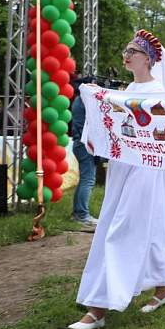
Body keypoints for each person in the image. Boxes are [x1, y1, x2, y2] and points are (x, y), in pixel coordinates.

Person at [69, 29, 165, 329]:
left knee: (120, 228)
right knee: (144, 228)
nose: (126, 55)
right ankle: (163, 289)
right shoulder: (127, 87)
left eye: (134, 52)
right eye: (126, 50)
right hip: (122, 169)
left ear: (150, 60)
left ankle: (97, 308)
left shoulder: (160, 93)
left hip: (147, 171)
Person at [70, 76, 99, 228]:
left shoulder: (77, 100)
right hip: (84, 144)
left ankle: (78, 213)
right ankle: (82, 214)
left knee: (85, 179)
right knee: (88, 180)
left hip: (79, 143)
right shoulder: (84, 101)